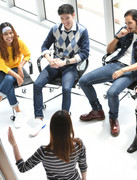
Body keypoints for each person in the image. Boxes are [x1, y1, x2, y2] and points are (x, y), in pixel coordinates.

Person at [79, 9, 137, 137]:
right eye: (126, 23)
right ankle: (97, 110)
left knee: (112, 92)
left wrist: (123, 70)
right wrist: (117, 37)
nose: (127, 26)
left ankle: (113, 118)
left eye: (130, 23)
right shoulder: (125, 31)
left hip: (132, 70)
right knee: (83, 81)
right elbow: (109, 50)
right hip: (115, 64)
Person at [30, 4, 90, 137]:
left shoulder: (82, 31)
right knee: (37, 84)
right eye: (62, 18)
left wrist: (66, 62)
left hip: (71, 65)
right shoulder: (55, 28)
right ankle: (38, 119)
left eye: (67, 18)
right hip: (55, 62)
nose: (65, 21)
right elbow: (44, 46)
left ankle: (65, 121)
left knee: (66, 89)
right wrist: (49, 59)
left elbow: (84, 54)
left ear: (73, 15)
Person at [0, 22, 31, 128]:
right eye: (6, 34)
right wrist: (17, 76)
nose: (9, 36)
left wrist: (20, 66)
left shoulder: (18, 41)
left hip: (15, 67)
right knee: (9, 87)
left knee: (8, 81)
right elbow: (2, 66)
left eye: (10, 33)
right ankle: (18, 113)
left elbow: (27, 54)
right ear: (1, 36)